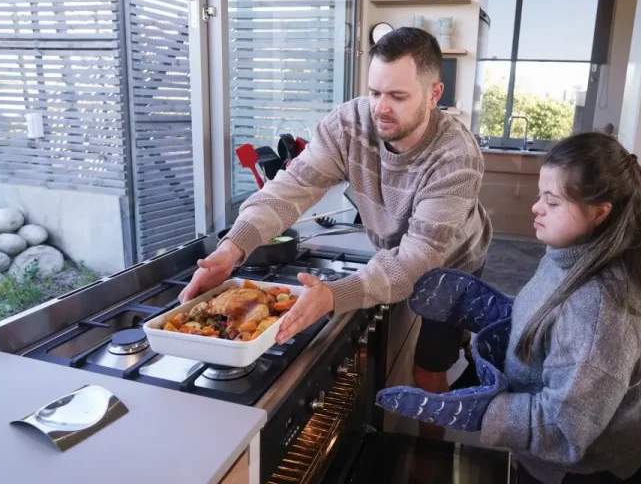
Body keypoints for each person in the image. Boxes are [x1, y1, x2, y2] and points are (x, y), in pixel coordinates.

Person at [178, 27, 492, 422]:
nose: (380, 108)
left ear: (434, 94)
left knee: (429, 367)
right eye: (375, 92)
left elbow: (417, 261)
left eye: (397, 96)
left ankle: (431, 459)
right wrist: (231, 250)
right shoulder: (350, 124)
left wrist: (332, 296)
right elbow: (290, 189)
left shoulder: (456, 158)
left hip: (452, 264)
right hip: (397, 248)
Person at [377, 132, 641, 483]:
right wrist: (501, 317)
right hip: (546, 461)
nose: (536, 208)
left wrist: (480, 410)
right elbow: (557, 330)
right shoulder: (569, 256)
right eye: (539, 195)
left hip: (584, 473)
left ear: (599, 213)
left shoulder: (601, 314)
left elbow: (561, 431)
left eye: (553, 201)